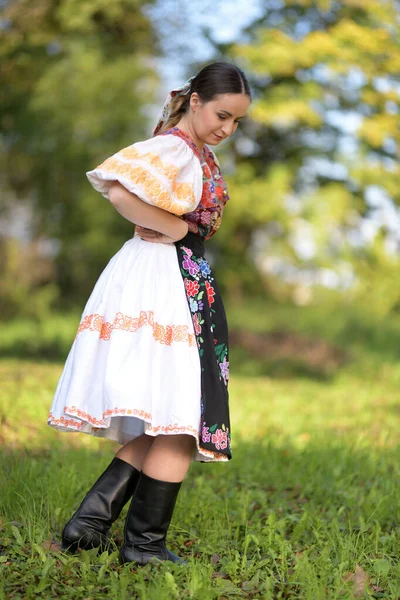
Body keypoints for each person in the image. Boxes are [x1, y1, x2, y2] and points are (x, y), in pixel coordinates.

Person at [47, 61, 251, 566]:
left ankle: (89, 524)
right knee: (180, 420)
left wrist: (183, 236)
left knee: (170, 417)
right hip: (163, 277)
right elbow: (117, 189)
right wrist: (179, 231)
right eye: (222, 115)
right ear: (196, 101)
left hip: (178, 275)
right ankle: (143, 547)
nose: (227, 128)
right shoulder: (172, 148)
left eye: (237, 122)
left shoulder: (194, 153)